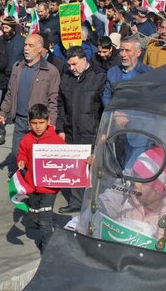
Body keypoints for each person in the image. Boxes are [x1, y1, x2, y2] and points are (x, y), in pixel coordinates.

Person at [0, 34, 60, 172]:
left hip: (38, 121)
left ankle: (31, 183)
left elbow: (53, 99)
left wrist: (52, 122)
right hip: (19, 119)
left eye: (30, 46)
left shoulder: (51, 71)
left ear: (39, 49)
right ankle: (23, 179)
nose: (26, 48)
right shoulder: (17, 66)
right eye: (25, 45)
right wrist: (3, 111)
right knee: (17, 153)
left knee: (35, 156)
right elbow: (10, 92)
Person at [57, 46, 106, 214]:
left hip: (91, 131)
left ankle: (96, 203)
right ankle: (76, 202)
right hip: (71, 131)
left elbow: (104, 107)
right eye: (69, 65)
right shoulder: (66, 77)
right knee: (75, 170)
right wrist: (60, 128)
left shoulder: (99, 77)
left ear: (85, 60)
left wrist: (103, 131)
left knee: (93, 169)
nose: (71, 68)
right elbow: (60, 104)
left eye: (74, 64)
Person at [16, 103, 66, 253]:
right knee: (34, 215)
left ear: (48, 122)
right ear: (29, 122)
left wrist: (86, 160)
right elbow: (22, 153)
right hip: (32, 185)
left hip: (50, 187)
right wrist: (21, 160)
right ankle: (48, 224)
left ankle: (47, 248)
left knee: (44, 219)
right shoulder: (27, 139)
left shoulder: (57, 140)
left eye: (41, 123)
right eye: (34, 123)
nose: (37, 127)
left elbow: (70, 158)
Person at [102, 37, 152, 107]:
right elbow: (106, 96)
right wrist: (114, 112)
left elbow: (150, 100)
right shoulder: (112, 72)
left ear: (138, 53)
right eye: (121, 50)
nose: (123, 54)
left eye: (127, 50)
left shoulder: (148, 73)